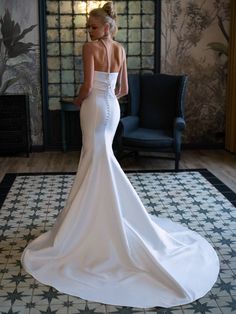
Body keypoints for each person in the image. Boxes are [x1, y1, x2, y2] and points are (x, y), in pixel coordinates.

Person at [21, 2, 219, 308]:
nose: (90, 31)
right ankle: (104, 214)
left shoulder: (90, 49)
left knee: (94, 158)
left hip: (94, 107)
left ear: (108, 26)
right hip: (111, 108)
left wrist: (79, 98)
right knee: (100, 159)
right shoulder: (121, 50)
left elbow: (87, 86)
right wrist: (105, 96)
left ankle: (95, 220)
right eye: (89, 27)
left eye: (94, 26)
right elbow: (123, 89)